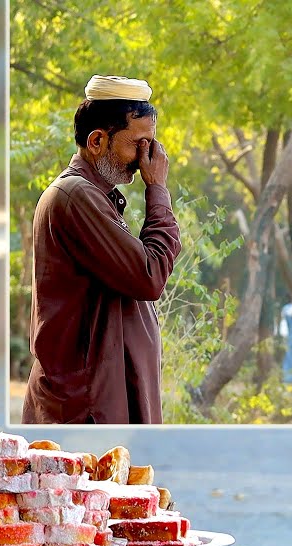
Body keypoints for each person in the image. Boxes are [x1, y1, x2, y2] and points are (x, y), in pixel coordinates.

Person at [23, 75, 181, 424]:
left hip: (102, 400)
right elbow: (149, 276)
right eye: (139, 144)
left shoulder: (95, 197)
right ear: (97, 141)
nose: (147, 158)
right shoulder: (75, 196)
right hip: (86, 408)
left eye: (150, 145)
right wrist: (158, 190)